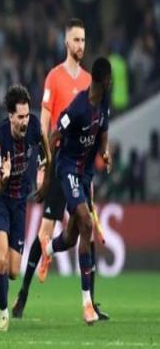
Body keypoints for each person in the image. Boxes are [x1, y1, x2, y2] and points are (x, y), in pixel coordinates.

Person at [13, 18, 108, 320]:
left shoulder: (92, 81)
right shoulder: (54, 77)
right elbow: (45, 121)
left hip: (81, 169)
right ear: (66, 42)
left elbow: (97, 127)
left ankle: (91, 302)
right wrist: (43, 161)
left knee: (84, 231)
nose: (81, 45)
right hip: (58, 164)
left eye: (84, 40)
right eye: (76, 40)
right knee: (44, 231)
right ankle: (23, 294)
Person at [0, 85, 50, 332]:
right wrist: (3, 177)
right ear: (10, 116)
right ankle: (3, 315)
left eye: (26, 115)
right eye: (20, 117)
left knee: (14, 271)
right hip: (1, 198)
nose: (25, 121)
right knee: (2, 261)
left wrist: (46, 168)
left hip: (20, 200)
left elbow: (44, 140)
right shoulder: (0, 139)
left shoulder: (34, 125)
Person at [38, 57, 112, 325]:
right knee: (86, 222)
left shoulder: (104, 104)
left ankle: (48, 249)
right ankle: (87, 304)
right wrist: (47, 176)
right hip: (67, 168)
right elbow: (54, 136)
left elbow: (103, 133)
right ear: (105, 81)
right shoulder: (78, 107)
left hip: (85, 173)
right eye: (110, 79)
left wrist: (105, 152)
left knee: (72, 236)